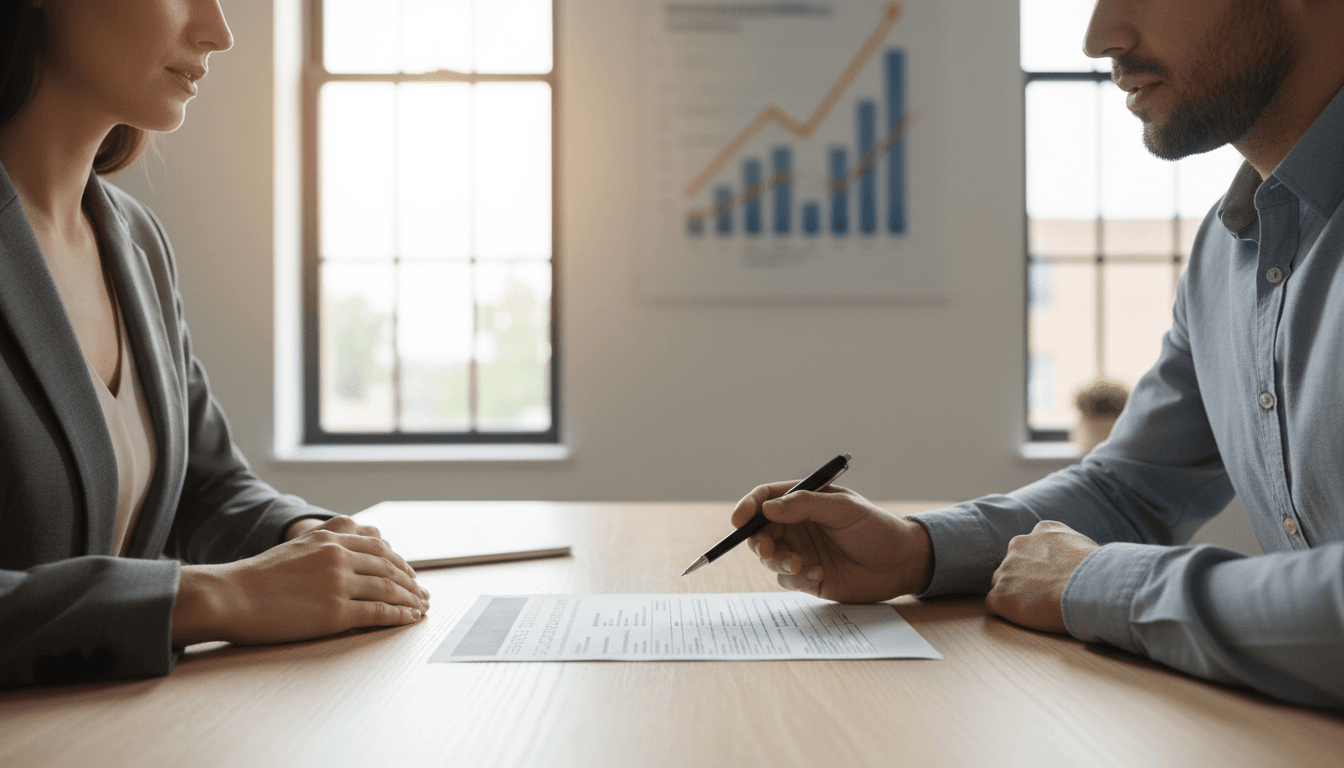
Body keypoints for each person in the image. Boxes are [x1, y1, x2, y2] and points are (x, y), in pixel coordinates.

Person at [734, 0, 1344, 709]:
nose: (1098, 38)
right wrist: (916, 550)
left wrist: (1097, 584)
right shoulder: (1227, 249)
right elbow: (1131, 489)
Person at [0, 0, 429, 690]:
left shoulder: (134, 241)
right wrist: (215, 597)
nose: (219, 32)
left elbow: (207, 486)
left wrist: (313, 541)